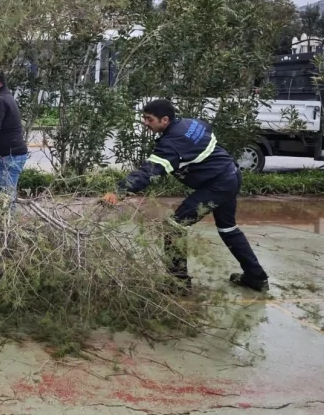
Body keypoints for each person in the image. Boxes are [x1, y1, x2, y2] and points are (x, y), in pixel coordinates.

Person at [102, 99, 269, 293]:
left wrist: (118, 192)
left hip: (218, 185)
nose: (145, 123)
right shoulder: (191, 123)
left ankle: (178, 283)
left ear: (165, 120)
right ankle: (256, 277)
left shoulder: (172, 144)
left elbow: (149, 172)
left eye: (149, 119)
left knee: (174, 227)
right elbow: (206, 131)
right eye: (144, 118)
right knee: (228, 228)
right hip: (230, 174)